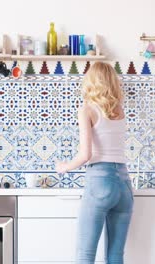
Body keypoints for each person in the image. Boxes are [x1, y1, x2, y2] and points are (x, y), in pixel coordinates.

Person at [56, 61, 133, 264]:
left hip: (100, 181)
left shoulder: (87, 110)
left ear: (91, 81)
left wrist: (65, 167)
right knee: (116, 255)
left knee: (85, 255)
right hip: (124, 184)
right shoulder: (119, 110)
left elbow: (85, 154)